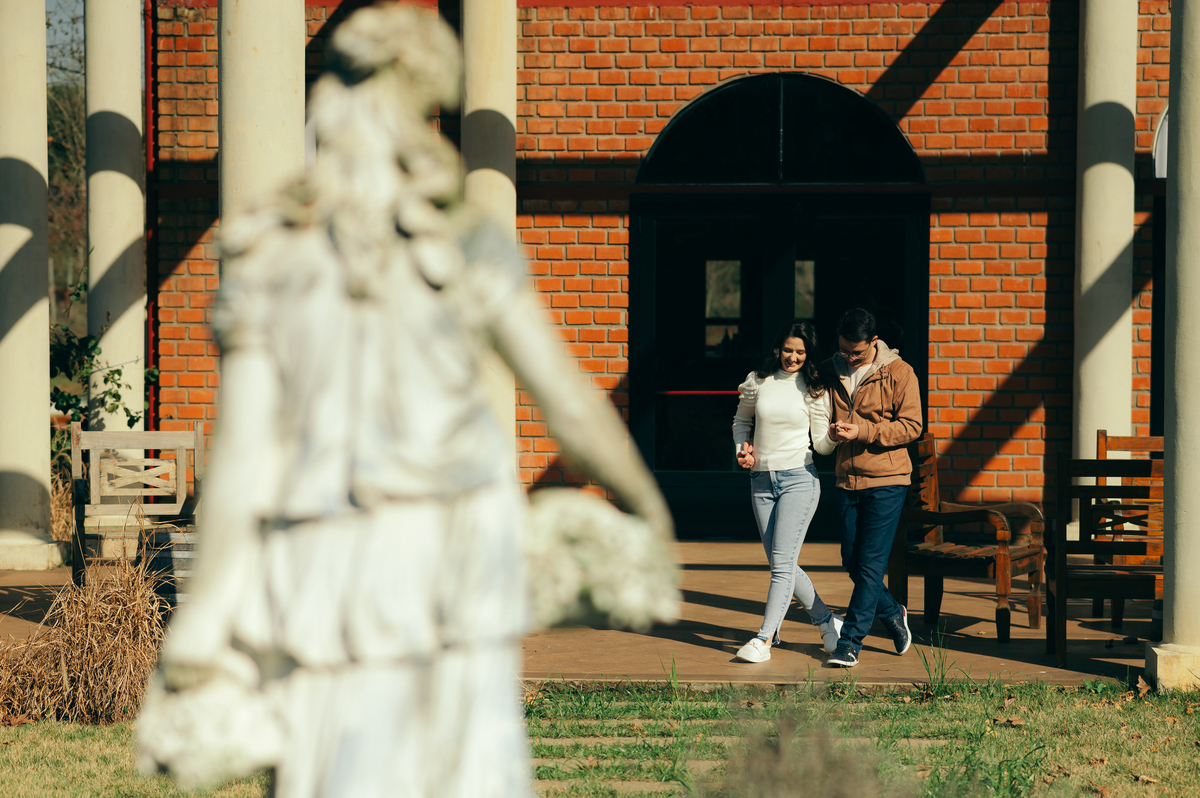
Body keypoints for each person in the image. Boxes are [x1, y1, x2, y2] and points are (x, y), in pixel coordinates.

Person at [731, 320, 843, 663]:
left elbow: (821, 445)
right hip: (762, 481)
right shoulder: (758, 382)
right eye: (788, 350)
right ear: (778, 348)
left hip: (799, 480)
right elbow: (741, 423)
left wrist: (836, 437)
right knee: (783, 564)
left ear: (808, 354)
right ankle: (826, 622)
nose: (792, 357)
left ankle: (764, 640)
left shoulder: (812, 388)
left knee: (781, 564)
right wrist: (742, 449)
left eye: (800, 352)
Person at [821, 308, 923, 668]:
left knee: (869, 566)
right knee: (852, 559)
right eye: (845, 350)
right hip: (847, 478)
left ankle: (849, 643)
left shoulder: (899, 372)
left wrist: (863, 431)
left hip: (888, 480)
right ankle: (894, 612)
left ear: (874, 343)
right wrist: (829, 432)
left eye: (857, 353)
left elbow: (912, 426)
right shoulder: (830, 370)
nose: (849, 358)